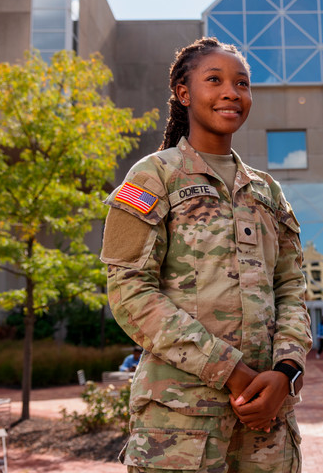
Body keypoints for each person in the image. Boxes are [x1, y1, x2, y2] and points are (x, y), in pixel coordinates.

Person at [100, 37, 312, 473]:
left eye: (242, 83)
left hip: (267, 423)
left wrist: (286, 371)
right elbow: (129, 293)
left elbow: (291, 288)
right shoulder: (153, 176)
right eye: (214, 80)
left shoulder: (268, 191)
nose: (231, 92)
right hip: (180, 426)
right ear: (183, 93)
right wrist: (232, 371)